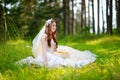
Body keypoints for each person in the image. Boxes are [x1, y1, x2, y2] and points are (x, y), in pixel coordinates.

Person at [16, 18, 96, 68]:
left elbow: (53, 49)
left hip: (52, 53)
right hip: (46, 55)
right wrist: (45, 62)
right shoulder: (44, 36)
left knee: (68, 54)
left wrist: (59, 53)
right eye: (53, 25)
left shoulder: (53, 35)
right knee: (64, 63)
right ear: (48, 26)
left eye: (55, 25)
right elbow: (44, 51)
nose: (54, 27)